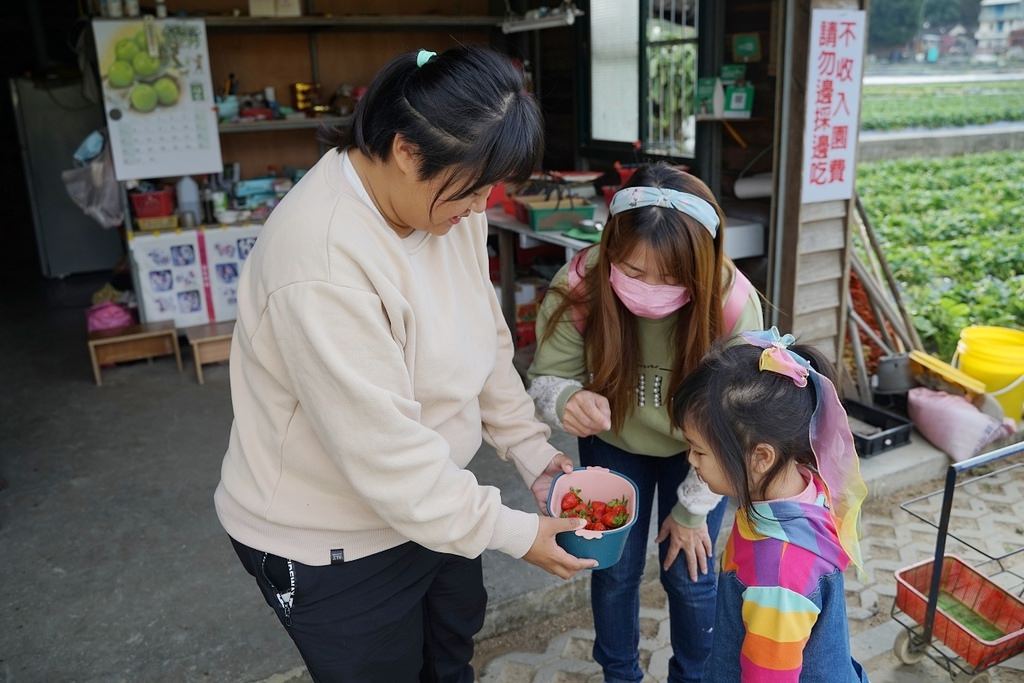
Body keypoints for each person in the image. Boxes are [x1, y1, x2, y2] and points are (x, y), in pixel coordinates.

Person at [214, 46, 596, 683]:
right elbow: (384, 457)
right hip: (329, 541)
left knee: (449, 656)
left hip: (433, 505)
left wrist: (531, 450)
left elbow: (487, 341)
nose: (480, 209)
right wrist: (515, 532)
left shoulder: (446, 203)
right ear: (405, 150)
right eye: (472, 192)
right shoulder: (323, 263)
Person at [528, 164, 764, 683]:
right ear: (611, 249)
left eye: (672, 277)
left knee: (690, 574)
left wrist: (691, 509)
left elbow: (740, 425)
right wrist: (565, 397)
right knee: (612, 573)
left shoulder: (732, 304)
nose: (650, 290)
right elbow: (545, 377)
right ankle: (619, 674)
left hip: (705, 454)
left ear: (701, 265)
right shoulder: (581, 283)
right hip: (613, 446)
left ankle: (694, 677)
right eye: (633, 273)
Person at [672, 329, 869, 682]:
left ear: (761, 457)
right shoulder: (805, 484)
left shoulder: (777, 578)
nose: (692, 460)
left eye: (699, 450)